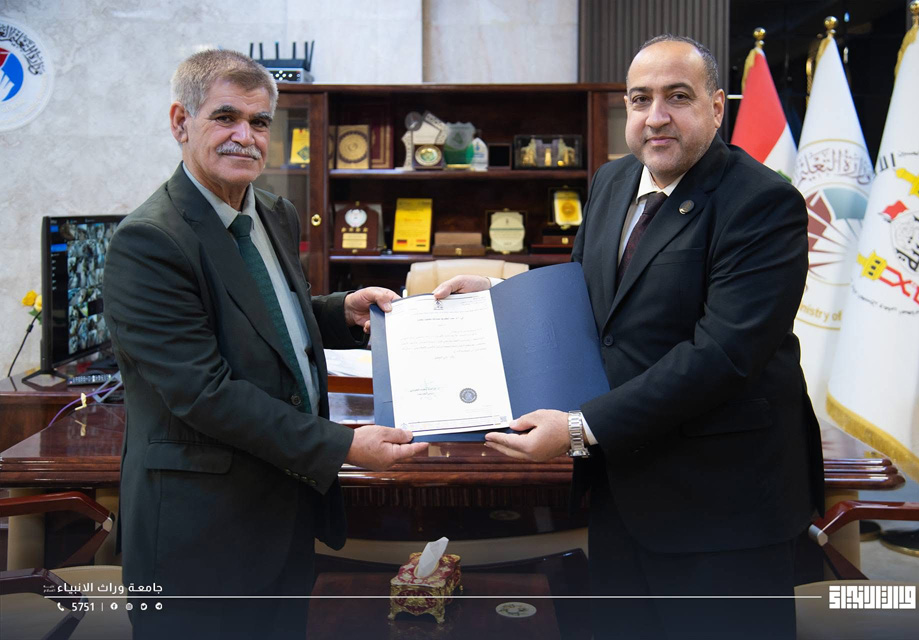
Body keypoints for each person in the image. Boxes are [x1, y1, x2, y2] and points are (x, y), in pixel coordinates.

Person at [434, 35, 824, 639]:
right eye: (641, 99)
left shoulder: (763, 202)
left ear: (717, 107)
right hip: (622, 489)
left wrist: (580, 428)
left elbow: (722, 355)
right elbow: (588, 293)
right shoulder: (614, 180)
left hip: (723, 508)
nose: (656, 116)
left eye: (678, 97)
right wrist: (499, 293)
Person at [103, 50, 427, 639]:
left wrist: (339, 311)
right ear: (180, 122)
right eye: (225, 117)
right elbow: (204, 393)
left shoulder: (274, 212)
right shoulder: (148, 242)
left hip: (283, 514)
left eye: (259, 122)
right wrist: (343, 446)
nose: (245, 136)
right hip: (199, 539)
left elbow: (266, 319)